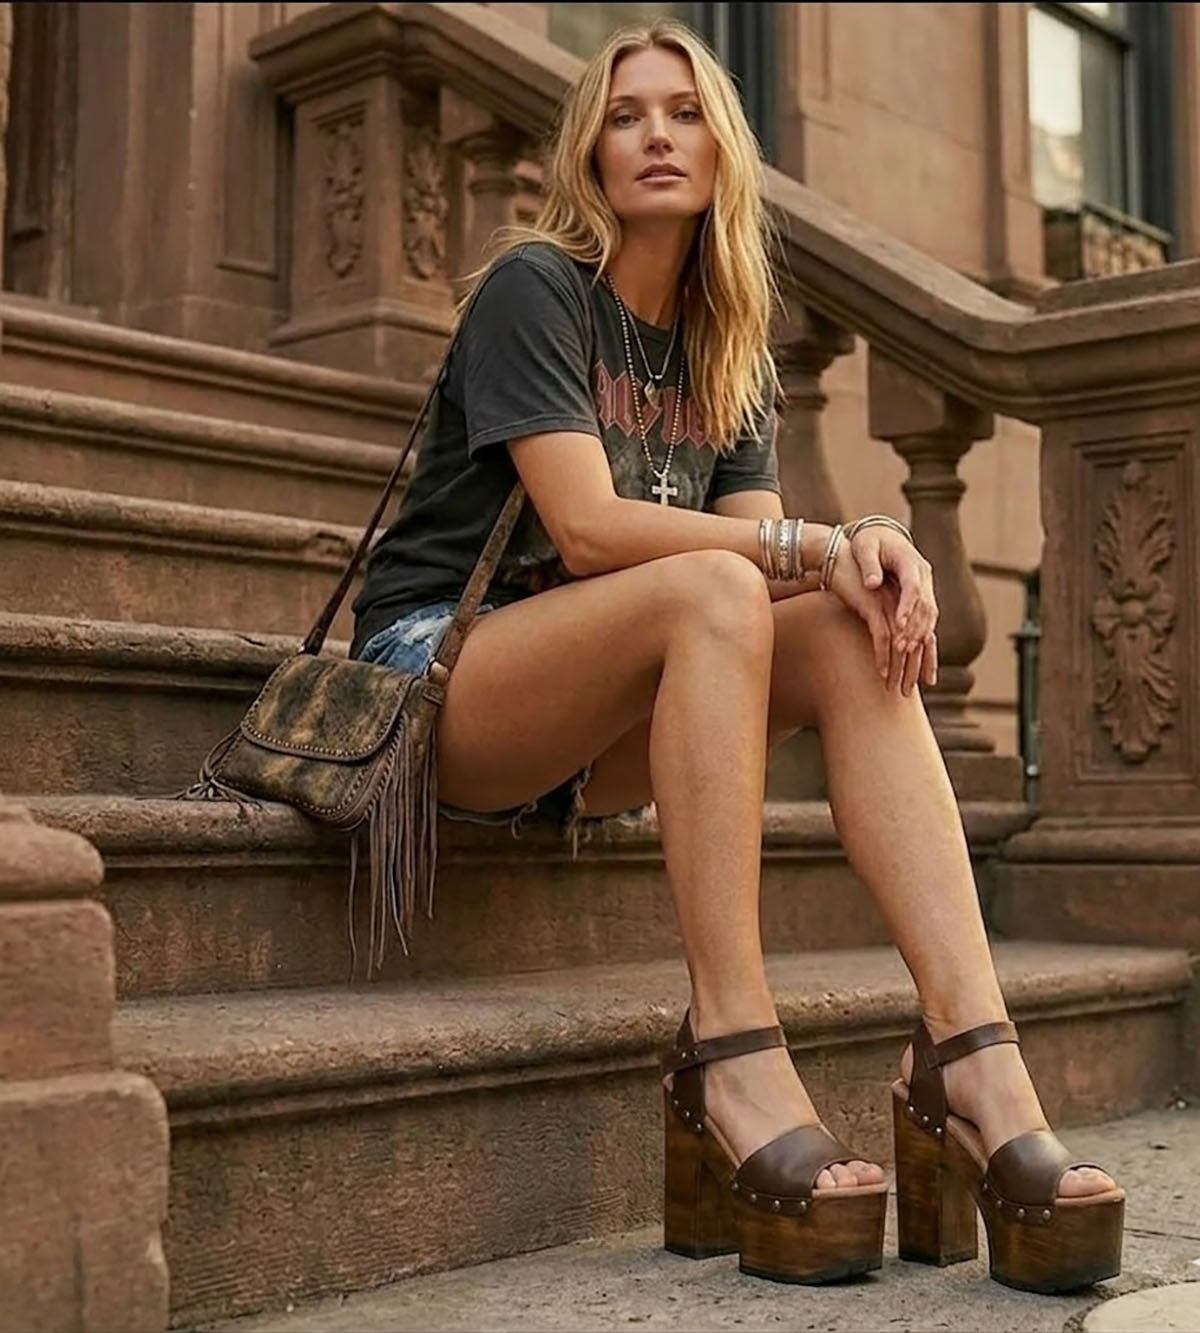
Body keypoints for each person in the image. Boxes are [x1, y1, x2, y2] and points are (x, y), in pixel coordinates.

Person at [351, 19, 1123, 1292]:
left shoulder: (730, 345)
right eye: (625, 113)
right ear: (588, 151)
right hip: (440, 681)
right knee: (723, 581)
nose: (656, 133)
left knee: (834, 624)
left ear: (723, 147)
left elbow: (770, 578)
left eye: (685, 110)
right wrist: (824, 540)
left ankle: (971, 1055)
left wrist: (860, 552)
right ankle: (730, 1044)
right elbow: (591, 531)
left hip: (597, 725)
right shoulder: (537, 288)